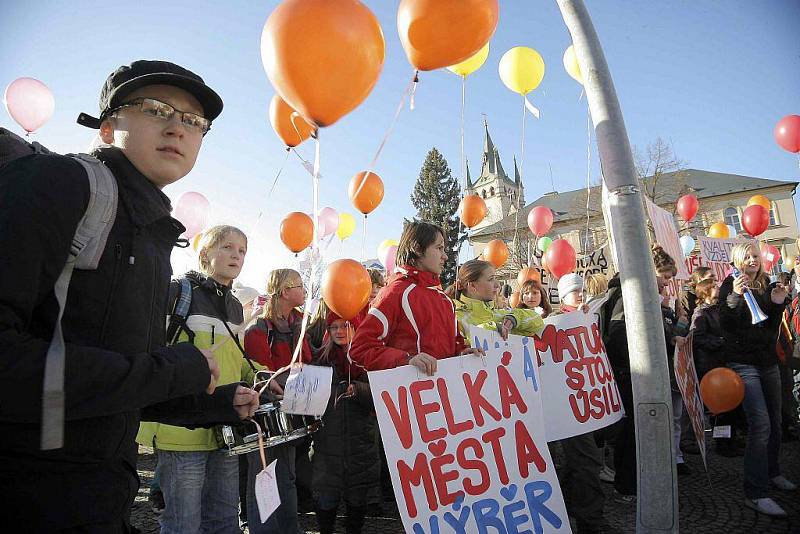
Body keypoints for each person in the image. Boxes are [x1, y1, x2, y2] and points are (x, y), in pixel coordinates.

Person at [0, 60, 260, 532]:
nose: (177, 127)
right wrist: (173, 370)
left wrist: (216, 402)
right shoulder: (58, 186)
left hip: (99, 501)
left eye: (194, 120)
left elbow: (117, 388)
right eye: (156, 108)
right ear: (107, 127)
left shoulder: (154, 238)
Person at [136, 225, 258, 534]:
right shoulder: (178, 291)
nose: (236, 255)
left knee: (224, 521)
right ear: (204, 253)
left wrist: (265, 376)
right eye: (228, 247)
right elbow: (150, 352)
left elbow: (235, 360)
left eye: (242, 250)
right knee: (183, 524)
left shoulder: (234, 307)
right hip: (180, 431)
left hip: (225, 427)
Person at [719, 243, 796, 517]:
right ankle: (755, 492)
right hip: (742, 362)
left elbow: (769, 330)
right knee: (760, 423)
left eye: (755, 256)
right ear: (738, 260)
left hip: (767, 362)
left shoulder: (765, 285)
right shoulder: (730, 285)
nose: (753, 260)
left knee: (775, 421)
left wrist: (776, 306)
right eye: (747, 256)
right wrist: (735, 297)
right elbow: (726, 324)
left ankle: (772, 472)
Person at [350, 220, 482, 374]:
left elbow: (454, 344)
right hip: (409, 394)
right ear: (418, 249)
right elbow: (360, 349)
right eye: (439, 248)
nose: (445, 256)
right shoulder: (395, 293)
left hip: (445, 393)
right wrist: (406, 360)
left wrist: (463, 353)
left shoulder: (445, 300)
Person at [243, 268, 313, 534]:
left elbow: (306, 360)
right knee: (264, 479)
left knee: (287, 477)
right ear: (285, 291)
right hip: (265, 419)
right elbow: (259, 373)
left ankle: (289, 528)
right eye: (299, 285)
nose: (304, 290)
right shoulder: (259, 329)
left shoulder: (298, 323)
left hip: (292, 415)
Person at [549, 273, 610, 534]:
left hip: (583, 403)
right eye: (575, 292)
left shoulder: (589, 317)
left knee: (581, 462)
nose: (581, 295)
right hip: (563, 405)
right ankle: (590, 522)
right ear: (563, 297)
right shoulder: (553, 322)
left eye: (581, 290)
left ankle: (576, 509)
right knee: (585, 461)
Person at [311, 311, 379, 534]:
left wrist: (358, 390)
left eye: (345, 326)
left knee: (357, 496)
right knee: (326, 494)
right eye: (334, 327)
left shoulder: (370, 359)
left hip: (361, 441)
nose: (339, 331)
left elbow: (381, 397)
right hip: (328, 442)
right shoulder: (321, 360)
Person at [449, 260, 544, 341]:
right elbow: (460, 350)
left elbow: (537, 321)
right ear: (472, 286)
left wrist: (515, 319)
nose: (497, 285)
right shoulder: (456, 319)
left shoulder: (500, 313)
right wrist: (492, 329)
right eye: (490, 279)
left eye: (496, 278)